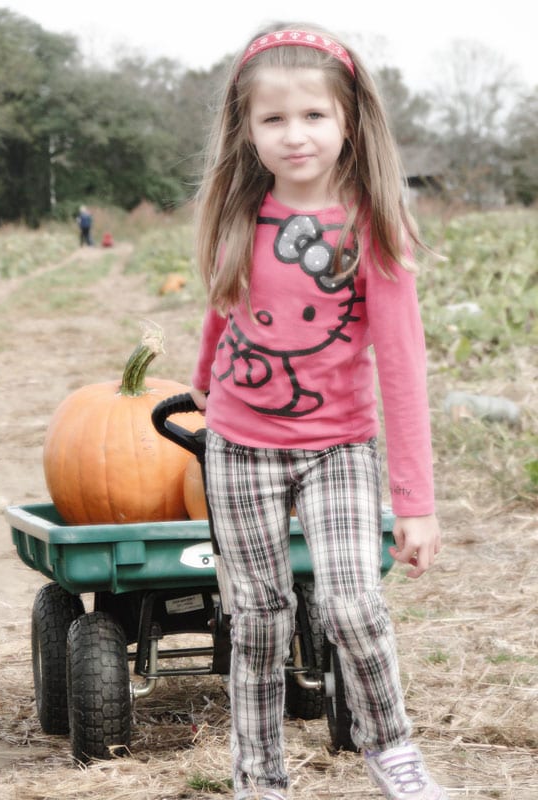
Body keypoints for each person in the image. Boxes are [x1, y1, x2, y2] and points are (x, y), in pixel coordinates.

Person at [189, 22, 449, 800]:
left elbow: (401, 370)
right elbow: (221, 308)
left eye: (313, 116)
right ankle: (258, 775)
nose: (294, 135)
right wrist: (202, 379)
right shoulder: (236, 214)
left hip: (339, 445)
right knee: (260, 619)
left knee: (350, 605)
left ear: (348, 122)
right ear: (247, 128)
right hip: (239, 447)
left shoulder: (374, 227)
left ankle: (391, 748)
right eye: (274, 119)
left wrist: (417, 504)